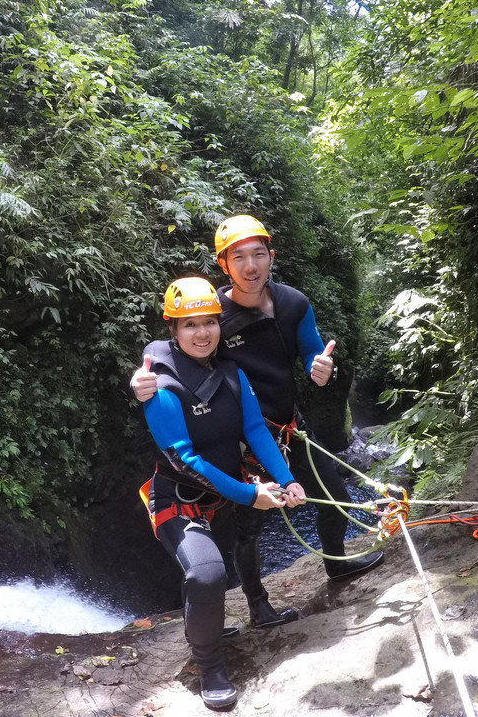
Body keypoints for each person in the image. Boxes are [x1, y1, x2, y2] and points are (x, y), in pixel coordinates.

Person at [132, 215, 384, 629]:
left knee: (332, 492)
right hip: (240, 433)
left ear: (272, 257)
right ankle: (258, 604)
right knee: (248, 525)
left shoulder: (293, 304)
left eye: (259, 255)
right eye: (239, 257)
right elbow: (166, 350)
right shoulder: (211, 311)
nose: (251, 267)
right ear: (223, 264)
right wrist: (138, 382)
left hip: (286, 425)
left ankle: (336, 562)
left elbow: (314, 353)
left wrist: (325, 370)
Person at [138, 276, 307, 710]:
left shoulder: (231, 372)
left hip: (226, 499)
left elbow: (254, 429)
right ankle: (209, 665)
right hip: (179, 497)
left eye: (209, 322)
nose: (202, 332)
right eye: (189, 324)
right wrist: (250, 494)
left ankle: (221, 620)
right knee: (207, 574)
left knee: (219, 566)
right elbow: (183, 460)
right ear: (172, 330)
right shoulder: (161, 384)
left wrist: (286, 479)